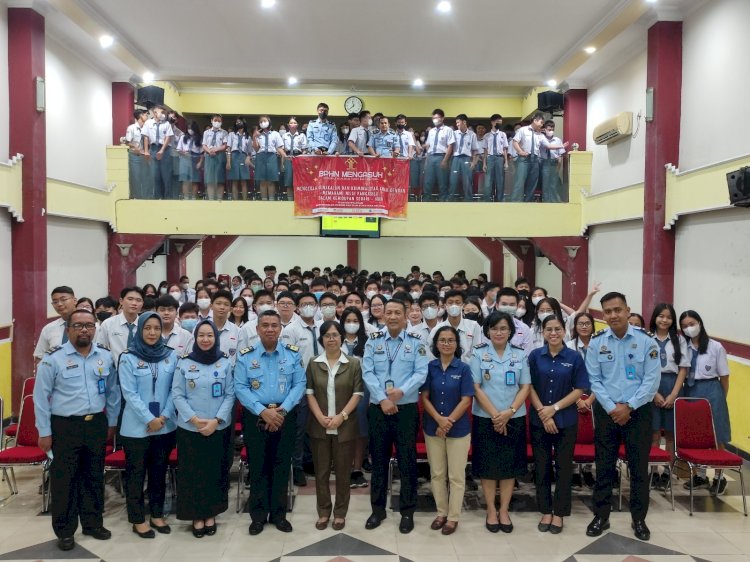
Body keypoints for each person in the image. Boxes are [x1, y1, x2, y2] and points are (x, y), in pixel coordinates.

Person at [33, 309, 121, 551]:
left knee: (93, 476)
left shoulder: (104, 357)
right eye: (79, 325)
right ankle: (65, 530)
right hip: (65, 426)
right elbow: (41, 398)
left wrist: (112, 422)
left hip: (96, 424)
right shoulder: (53, 359)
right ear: (68, 329)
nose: (85, 330)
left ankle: (93, 523)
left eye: (89, 325)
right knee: (65, 480)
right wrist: (44, 431)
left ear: (95, 329)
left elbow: (113, 392)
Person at [585, 292, 660, 542]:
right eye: (607, 311)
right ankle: (601, 516)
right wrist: (612, 407)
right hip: (607, 413)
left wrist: (628, 406)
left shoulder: (646, 341)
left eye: (617, 309)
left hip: (638, 412)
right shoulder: (597, 342)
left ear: (628, 310)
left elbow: (652, 381)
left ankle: (639, 519)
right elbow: (594, 380)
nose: (613, 315)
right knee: (604, 466)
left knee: (639, 468)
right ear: (602, 314)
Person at [235, 310, 305, 535]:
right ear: (257, 329)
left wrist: (281, 412)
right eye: (265, 325)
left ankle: (279, 514)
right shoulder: (246, 356)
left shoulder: (292, 354)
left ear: (280, 328)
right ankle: (257, 516)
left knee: (282, 465)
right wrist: (262, 411)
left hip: (285, 416)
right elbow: (240, 387)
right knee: (258, 466)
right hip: (256, 417)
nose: (270, 329)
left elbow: (299, 384)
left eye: (274, 325)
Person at [362, 299, 429, 534]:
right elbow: (367, 371)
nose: (392, 316)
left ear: (405, 316)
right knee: (378, 461)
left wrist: (401, 393)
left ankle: (407, 511)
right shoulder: (373, 341)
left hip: (406, 409)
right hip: (379, 408)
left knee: (407, 461)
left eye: (397, 313)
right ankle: (377, 510)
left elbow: (421, 372)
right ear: (384, 316)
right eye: (388, 312)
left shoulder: (416, 342)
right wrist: (382, 398)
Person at [172, 320, 235, 537]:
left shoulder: (225, 362)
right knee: (192, 474)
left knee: (215, 472)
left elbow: (230, 395)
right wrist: (195, 420)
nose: (206, 339)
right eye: (201, 335)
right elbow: (177, 394)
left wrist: (216, 421)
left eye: (210, 335)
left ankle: (211, 514)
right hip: (190, 429)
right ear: (195, 338)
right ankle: (196, 515)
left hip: (218, 428)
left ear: (216, 338)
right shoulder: (184, 363)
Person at [118, 312, 177, 539]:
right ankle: (137, 518)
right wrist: (149, 419)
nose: (152, 333)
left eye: (156, 328)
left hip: (165, 425)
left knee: (158, 472)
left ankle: (156, 514)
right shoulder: (128, 357)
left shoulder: (171, 356)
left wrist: (162, 417)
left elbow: (175, 390)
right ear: (140, 330)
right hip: (136, 428)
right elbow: (129, 393)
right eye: (147, 328)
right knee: (136, 474)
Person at [470, 311, 531, 534]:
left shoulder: (520, 355)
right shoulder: (477, 355)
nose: (499, 332)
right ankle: (490, 510)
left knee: (509, 466)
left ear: (511, 331)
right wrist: (497, 414)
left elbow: (525, 386)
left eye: (503, 328)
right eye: (494, 328)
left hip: (513, 417)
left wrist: (509, 412)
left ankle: (504, 510)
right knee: (488, 466)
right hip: (486, 418)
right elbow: (476, 387)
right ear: (487, 331)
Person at [528, 315, 588, 534]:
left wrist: (553, 409)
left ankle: (560, 513)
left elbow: (579, 389)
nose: (553, 333)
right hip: (539, 420)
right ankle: (545, 510)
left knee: (563, 468)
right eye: (548, 329)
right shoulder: (535, 356)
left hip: (566, 420)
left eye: (557, 329)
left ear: (564, 331)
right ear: (543, 333)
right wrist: (544, 414)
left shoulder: (574, 357)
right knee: (542, 467)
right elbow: (529, 386)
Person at [305, 321, 364, 531]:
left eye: (335, 335)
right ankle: (323, 512)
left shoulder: (353, 363)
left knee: (342, 473)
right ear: (321, 339)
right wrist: (320, 416)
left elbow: (358, 393)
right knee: (321, 473)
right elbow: (309, 393)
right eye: (327, 335)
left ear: (341, 337)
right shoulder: (313, 363)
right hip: (319, 425)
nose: (331, 339)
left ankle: (340, 513)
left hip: (344, 426)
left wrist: (342, 416)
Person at [421, 325, 473, 535]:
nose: (446, 344)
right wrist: (439, 420)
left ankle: (453, 517)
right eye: (442, 340)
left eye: (451, 340)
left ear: (457, 344)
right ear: (436, 344)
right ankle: (441, 513)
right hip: (433, 427)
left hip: (458, 429)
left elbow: (466, 399)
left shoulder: (463, 368)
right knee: (437, 473)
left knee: (456, 476)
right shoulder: (429, 368)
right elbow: (424, 397)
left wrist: (448, 421)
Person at [679, 310, 731, 495]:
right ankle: (699, 475)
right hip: (691, 390)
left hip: (712, 390)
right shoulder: (683, 347)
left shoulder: (716, 347)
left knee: (717, 435)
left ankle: (719, 476)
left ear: (699, 323)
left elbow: (724, 377)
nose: (688, 328)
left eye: (691, 323)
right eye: (684, 326)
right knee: (697, 435)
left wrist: (720, 398)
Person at [649, 304, 690, 490]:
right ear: (655, 318)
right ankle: (653, 472)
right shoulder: (647, 338)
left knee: (671, 435)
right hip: (652, 386)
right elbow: (643, 368)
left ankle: (667, 473)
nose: (664, 320)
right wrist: (653, 393)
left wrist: (674, 393)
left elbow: (683, 368)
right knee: (654, 433)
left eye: (668, 317)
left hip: (673, 385)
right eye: (661, 316)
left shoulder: (679, 340)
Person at [428, 290, 483, 364]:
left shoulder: (474, 326)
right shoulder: (437, 329)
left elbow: (478, 352)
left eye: (457, 302)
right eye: (450, 303)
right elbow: (429, 352)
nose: (454, 305)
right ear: (445, 306)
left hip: (468, 369)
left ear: (463, 305)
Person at [96, 286, 145, 363]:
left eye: (138, 300)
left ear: (142, 303)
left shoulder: (145, 325)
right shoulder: (108, 324)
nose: (134, 303)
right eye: (130, 299)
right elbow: (100, 351)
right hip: (115, 371)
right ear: (121, 301)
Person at [34, 286, 78, 363]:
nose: (59, 304)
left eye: (63, 300)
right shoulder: (49, 328)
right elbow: (40, 356)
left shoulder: (90, 326)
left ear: (74, 300)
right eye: (55, 302)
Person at [142, 105, 174, 200]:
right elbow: (146, 137)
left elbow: (168, 137)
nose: (164, 115)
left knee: (166, 175)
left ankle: (167, 198)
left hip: (165, 150)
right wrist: (146, 151)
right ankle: (157, 198)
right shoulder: (148, 123)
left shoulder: (166, 124)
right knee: (155, 175)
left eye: (164, 113)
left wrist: (162, 150)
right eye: (162, 112)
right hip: (153, 149)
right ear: (155, 113)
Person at [423, 109, 455, 201]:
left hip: (442, 157)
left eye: (437, 118)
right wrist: (426, 161)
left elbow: (450, 146)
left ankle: (443, 204)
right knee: (427, 182)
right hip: (431, 157)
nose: (435, 120)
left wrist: (445, 160)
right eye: (433, 118)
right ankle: (426, 203)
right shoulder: (431, 131)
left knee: (443, 183)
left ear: (442, 118)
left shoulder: (448, 130)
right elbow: (428, 146)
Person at [252, 116, 286, 201]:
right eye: (261, 121)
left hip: (272, 157)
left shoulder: (275, 134)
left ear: (269, 122)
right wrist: (254, 137)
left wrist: (285, 156)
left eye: (265, 121)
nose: (263, 123)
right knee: (262, 181)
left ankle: (271, 200)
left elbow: (279, 148)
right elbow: (256, 149)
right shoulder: (258, 134)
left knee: (271, 181)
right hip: (260, 156)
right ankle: (264, 201)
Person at [449, 114, 479, 202]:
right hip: (455, 159)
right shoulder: (454, 134)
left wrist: (473, 162)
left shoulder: (472, 134)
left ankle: (468, 200)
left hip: (466, 159)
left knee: (467, 181)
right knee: (453, 180)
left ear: (464, 122)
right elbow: (450, 148)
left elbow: (475, 150)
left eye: (458, 122)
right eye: (456, 123)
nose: (457, 124)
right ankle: (451, 200)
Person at [124, 108, 153, 199]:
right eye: (145, 115)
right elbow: (127, 142)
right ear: (140, 116)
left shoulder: (147, 128)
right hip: (135, 156)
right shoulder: (131, 128)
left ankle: (146, 197)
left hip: (145, 156)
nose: (147, 116)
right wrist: (135, 148)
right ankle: (136, 197)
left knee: (146, 177)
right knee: (135, 177)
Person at [483, 114, 509, 202]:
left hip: (499, 158)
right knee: (488, 181)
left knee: (500, 180)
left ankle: (500, 200)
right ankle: (487, 200)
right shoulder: (486, 136)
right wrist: (484, 163)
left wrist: (506, 162)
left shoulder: (503, 134)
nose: (499, 124)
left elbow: (505, 149)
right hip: (490, 158)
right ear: (492, 122)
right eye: (498, 122)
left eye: (501, 122)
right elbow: (485, 151)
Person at [539, 120, 567, 202]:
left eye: (552, 129)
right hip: (544, 163)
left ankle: (555, 202)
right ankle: (546, 201)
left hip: (554, 163)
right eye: (549, 129)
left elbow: (560, 155)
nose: (551, 131)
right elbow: (547, 147)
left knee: (553, 184)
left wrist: (558, 167)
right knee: (545, 184)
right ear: (544, 129)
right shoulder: (541, 139)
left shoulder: (557, 140)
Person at [202, 114, 228, 200]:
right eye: (215, 120)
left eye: (219, 121)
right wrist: (209, 151)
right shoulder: (206, 132)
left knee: (220, 180)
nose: (217, 122)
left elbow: (225, 146)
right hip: (209, 156)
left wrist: (215, 149)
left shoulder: (224, 132)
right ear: (211, 120)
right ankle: (211, 199)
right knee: (210, 180)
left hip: (220, 156)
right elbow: (204, 145)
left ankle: (219, 199)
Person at [280, 117, 307, 200]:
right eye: (291, 123)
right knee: (288, 182)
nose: (293, 124)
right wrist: (282, 163)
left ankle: (298, 200)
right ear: (288, 125)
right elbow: (282, 150)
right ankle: (289, 200)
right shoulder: (284, 136)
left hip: (298, 159)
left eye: (294, 123)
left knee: (298, 181)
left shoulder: (301, 135)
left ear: (297, 124)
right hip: (288, 158)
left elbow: (305, 150)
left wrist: (300, 158)